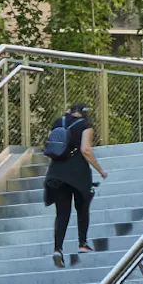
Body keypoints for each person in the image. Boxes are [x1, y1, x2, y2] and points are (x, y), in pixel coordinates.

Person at [45, 102, 101, 265]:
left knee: (62, 213)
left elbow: (52, 146)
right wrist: (100, 170)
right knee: (82, 207)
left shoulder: (58, 122)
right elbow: (86, 150)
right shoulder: (85, 125)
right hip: (78, 173)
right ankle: (82, 244)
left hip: (56, 172)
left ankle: (58, 248)